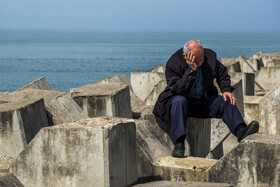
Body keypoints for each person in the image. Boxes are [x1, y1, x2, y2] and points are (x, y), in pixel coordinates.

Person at [153, 40, 259, 158]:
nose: (201, 62)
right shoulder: (173, 64)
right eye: (197, 60)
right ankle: (179, 144)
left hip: (203, 102)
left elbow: (222, 73)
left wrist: (226, 90)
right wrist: (191, 71)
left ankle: (240, 130)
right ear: (185, 56)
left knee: (225, 100)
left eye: (202, 58)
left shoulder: (210, 57)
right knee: (178, 100)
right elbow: (177, 89)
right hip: (184, 105)